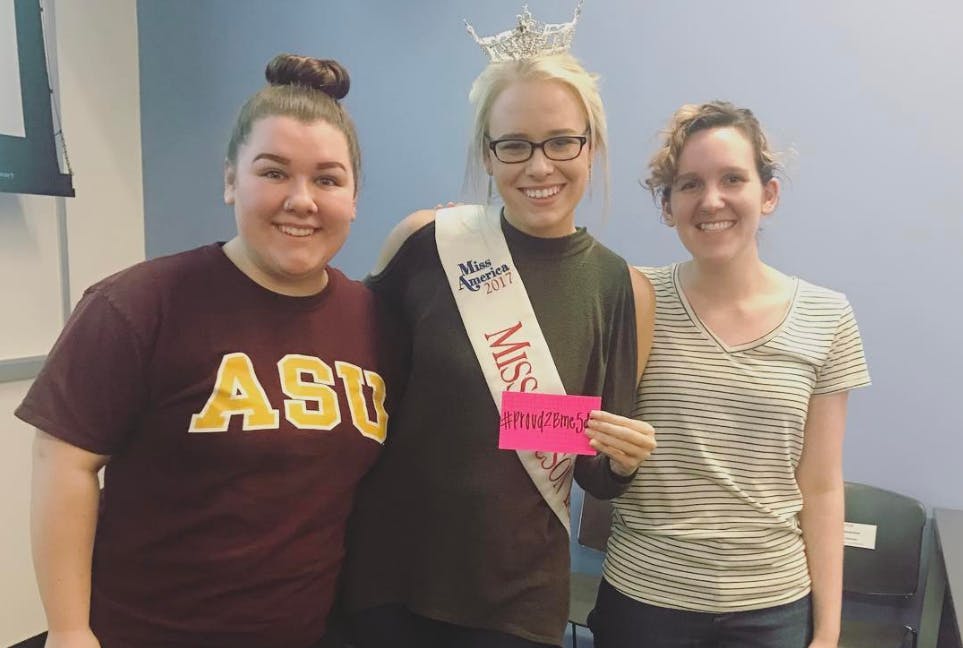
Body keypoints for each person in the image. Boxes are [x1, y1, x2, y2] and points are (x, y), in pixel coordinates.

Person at [18, 54, 389, 648]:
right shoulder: (140, 303)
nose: (301, 200)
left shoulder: (373, 318)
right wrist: (67, 630)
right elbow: (64, 464)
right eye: (272, 172)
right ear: (229, 180)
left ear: (353, 196)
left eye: (327, 178)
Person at [343, 6, 657, 648]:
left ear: (590, 147)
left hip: (515, 602)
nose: (539, 167)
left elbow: (595, 474)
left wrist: (623, 461)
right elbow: (359, 395)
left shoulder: (619, 287)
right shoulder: (429, 244)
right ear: (487, 156)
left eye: (561, 141)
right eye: (513, 144)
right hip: (388, 578)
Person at [589, 101, 871, 648]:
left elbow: (821, 484)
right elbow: (545, 405)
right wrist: (475, 242)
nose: (711, 200)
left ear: (768, 194)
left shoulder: (827, 316)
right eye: (689, 183)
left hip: (771, 611)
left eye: (732, 179)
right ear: (667, 206)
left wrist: (829, 631)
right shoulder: (629, 296)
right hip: (645, 602)